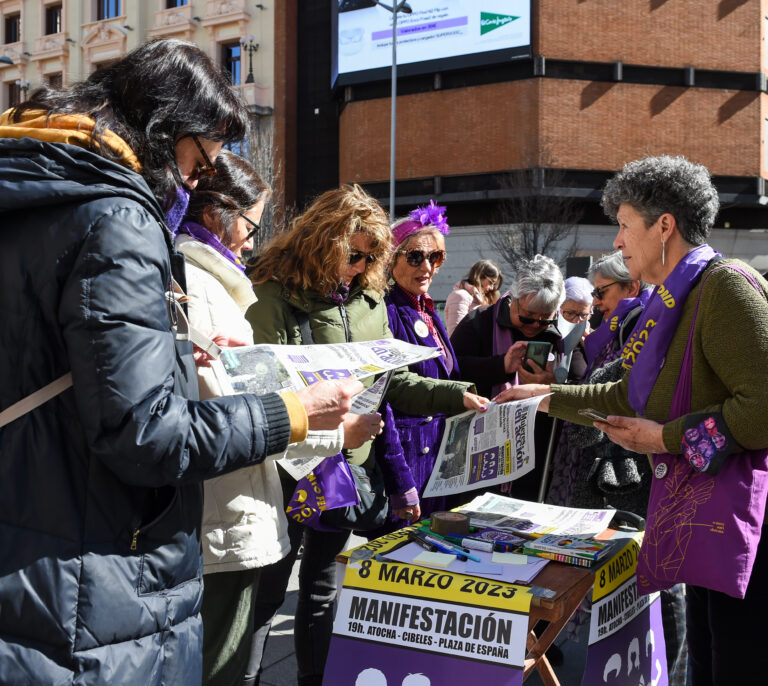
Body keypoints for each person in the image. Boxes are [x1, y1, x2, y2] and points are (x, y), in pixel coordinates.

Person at [0, 39, 355, 686]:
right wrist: (290, 415)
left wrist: (158, 352)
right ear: (162, 131)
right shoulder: (116, 219)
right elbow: (145, 434)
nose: (194, 185)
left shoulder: (38, 193)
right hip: (91, 577)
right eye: (196, 166)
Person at [496, 155, 768, 686]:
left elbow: (764, 409)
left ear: (664, 225)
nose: (617, 242)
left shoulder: (726, 288)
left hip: (745, 530)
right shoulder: (671, 299)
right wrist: (545, 397)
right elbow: (624, 392)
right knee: (711, 662)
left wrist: (665, 438)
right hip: (708, 520)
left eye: (624, 225)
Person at [244, 185, 483, 686]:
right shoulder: (271, 292)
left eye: (370, 258)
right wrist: (338, 428)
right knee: (265, 596)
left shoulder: (369, 298)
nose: (358, 266)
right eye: (352, 254)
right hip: (285, 471)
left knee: (322, 588)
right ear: (321, 240)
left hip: (343, 471)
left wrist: (458, 395)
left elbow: (390, 380)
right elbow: (262, 399)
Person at [175, 152, 367, 685]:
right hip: (225, 510)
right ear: (220, 213)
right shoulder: (205, 284)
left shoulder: (205, 278)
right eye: (251, 225)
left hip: (225, 507)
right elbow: (236, 417)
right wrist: (331, 431)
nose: (253, 242)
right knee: (224, 663)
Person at [373, 201, 488, 532]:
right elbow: (387, 400)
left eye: (435, 257)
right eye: (415, 256)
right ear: (391, 261)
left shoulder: (427, 309)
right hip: (410, 461)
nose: (427, 266)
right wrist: (400, 481)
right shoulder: (389, 312)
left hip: (437, 458)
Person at [450, 253, 565, 500]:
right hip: (479, 451)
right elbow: (452, 371)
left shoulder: (558, 336)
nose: (534, 326)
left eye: (545, 320)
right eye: (526, 318)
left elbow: (578, 383)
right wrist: (500, 365)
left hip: (536, 454)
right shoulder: (478, 322)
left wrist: (550, 385)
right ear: (513, 299)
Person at [444, 258, 503, 336]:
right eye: (490, 282)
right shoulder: (460, 296)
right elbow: (455, 334)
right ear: (479, 276)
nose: (492, 288)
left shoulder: (486, 299)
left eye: (494, 284)